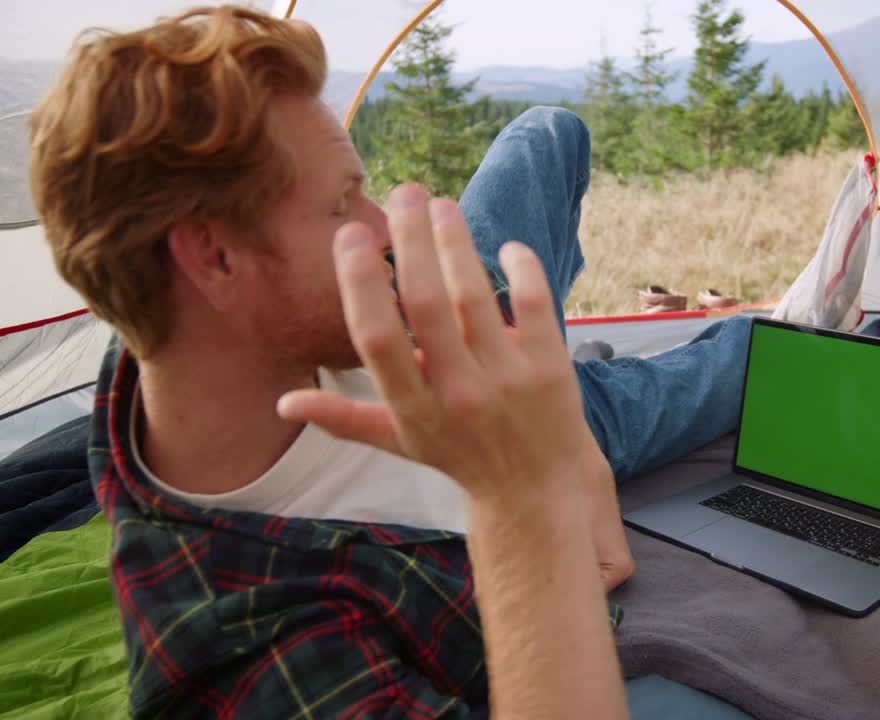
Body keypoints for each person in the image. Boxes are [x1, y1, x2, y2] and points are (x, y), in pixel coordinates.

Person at [29, 5, 752, 718]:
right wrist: (534, 496)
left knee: (549, 131)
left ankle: (550, 329)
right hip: (542, 431)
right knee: (760, 351)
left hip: (472, 337)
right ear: (215, 257)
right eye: (345, 203)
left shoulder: (163, 330)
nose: (383, 229)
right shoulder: (258, 652)